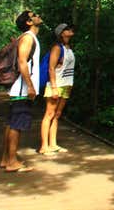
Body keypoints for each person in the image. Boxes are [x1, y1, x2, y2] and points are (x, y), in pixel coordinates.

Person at [0, 10, 42, 173]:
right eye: (34, 14)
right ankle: (12, 161)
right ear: (29, 22)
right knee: (17, 124)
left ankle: (6, 159)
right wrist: (30, 86)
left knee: (12, 123)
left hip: (19, 88)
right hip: (22, 89)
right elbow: (22, 62)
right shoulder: (28, 38)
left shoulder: (29, 38)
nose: (38, 15)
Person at [38, 22, 75, 155]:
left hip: (66, 85)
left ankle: (53, 144)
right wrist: (54, 87)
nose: (70, 30)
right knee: (49, 114)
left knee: (57, 115)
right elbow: (51, 68)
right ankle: (44, 146)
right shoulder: (57, 48)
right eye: (67, 29)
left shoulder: (69, 48)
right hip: (56, 85)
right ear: (61, 33)